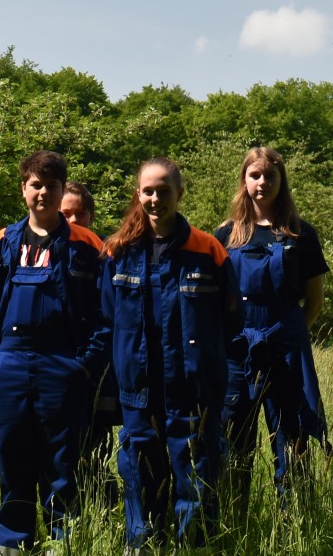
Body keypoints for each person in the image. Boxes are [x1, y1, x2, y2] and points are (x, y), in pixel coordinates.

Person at [0, 151, 110, 555]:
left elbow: (106, 315)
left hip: (62, 365)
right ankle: (11, 544)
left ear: (63, 190)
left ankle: (64, 544)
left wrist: (84, 366)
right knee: (11, 457)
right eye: (35, 184)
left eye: (51, 185)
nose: (43, 192)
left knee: (63, 464)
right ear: (23, 190)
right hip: (7, 365)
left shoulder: (88, 247)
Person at [102, 158, 238, 551]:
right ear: (138, 194)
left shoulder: (208, 251)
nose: (155, 198)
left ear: (180, 193)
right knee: (140, 478)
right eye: (148, 190)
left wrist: (215, 382)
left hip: (193, 393)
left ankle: (192, 547)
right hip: (138, 393)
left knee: (194, 481)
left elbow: (231, 325)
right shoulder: (118, 252)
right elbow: (107, 320)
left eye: (164, 190)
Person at [215, 147, 330, 513]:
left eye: (270, 176)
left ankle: (294, 524)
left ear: (282, 182)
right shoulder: (224, 235)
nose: (262, 182)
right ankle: (235, 523)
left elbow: (314, 302)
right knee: (234, 441)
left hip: (285, 347)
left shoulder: (301, 234)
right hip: (236, 350)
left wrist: (290, 335)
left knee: (291, 438)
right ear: (244, 181)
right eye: (255, 175)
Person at [60, 182, 120, 495]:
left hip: (93, 371)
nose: (72, 221)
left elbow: (109, 316)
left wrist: (89, 364)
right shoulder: (42, 250)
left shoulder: (102, 254)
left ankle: (102, 503)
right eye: (64, 213)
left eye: (79, 214)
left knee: (92, 448)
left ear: (91, 217)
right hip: (52, 366)